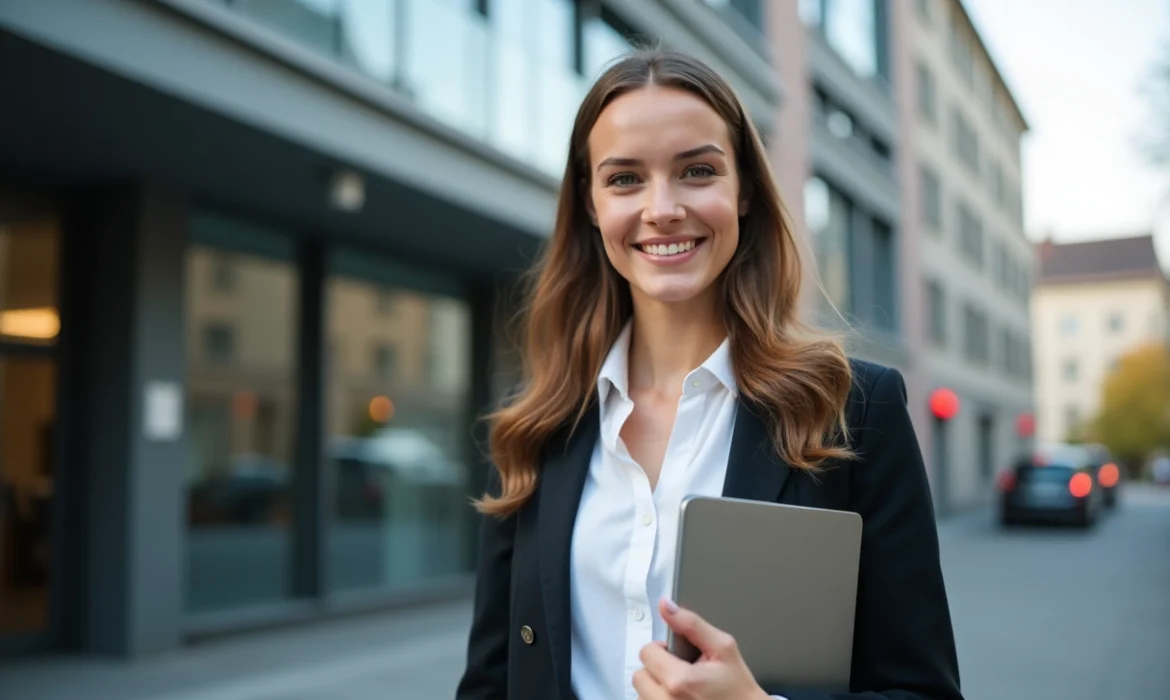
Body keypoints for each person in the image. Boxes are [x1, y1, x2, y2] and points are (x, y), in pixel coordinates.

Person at [455, 49, 962, 700]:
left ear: (744, 189)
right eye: (625, 179)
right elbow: (489, 684)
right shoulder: (537, 424)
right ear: (589, 203)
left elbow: (924, 691)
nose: (662, 208)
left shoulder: (852, 409)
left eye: (697, 171)